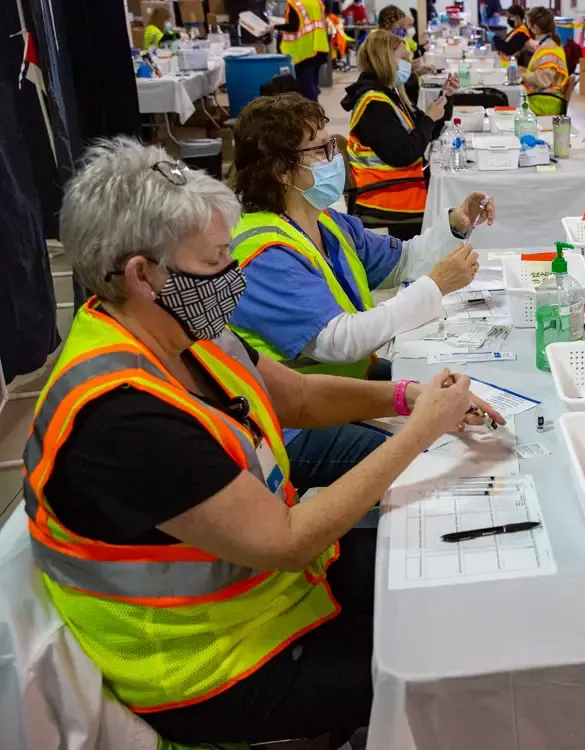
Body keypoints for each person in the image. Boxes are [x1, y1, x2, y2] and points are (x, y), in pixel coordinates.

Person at [35, 137, 504, 746]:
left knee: (451, 582)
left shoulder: (180, 329)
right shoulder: (120, 420)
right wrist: (420, 432)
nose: (234, 277)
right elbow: (287, 539)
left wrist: (404, 398)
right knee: (450, 659)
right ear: (142, 274)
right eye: (215, 262)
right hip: (221, 666)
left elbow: (298, 398)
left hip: (279, 594)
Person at [229, 94, 494, 491]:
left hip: (343, 386)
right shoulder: (263, 253)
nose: (337, 157)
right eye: (322, 148)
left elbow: (402, 262)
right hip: (289, 423)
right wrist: (435, 286)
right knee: (430, 458)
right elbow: (339, 342)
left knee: (454, 396)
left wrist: (455, 224)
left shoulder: (328, 224)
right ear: (283, 170)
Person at [341, 30, 457, 236]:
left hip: (399, 187)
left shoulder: (389, 93)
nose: (408, 64)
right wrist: (430, 118)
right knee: (455, 204)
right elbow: (405, 153)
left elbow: (427, 132)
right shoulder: (374, 104)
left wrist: (444, 99)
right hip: (387, 196)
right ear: (384, 58)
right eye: (403, 58)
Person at [520, 7, 570, 116]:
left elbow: (543, 80)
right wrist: (524, 71)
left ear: (535, 27)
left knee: (508, 99)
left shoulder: (548, 49)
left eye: (528, 23)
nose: (527, 27)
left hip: (544, 102)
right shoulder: (548, 44)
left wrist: (522, 75)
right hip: (544, 97)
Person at [277, 0, 330, 102]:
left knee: (306, 87)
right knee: (312, 84)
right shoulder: (316, 2)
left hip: (304, 50)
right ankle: (314, 111)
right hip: (319, 47)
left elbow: (294, 26)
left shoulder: (295, 3)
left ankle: (310, 113)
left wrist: (274, 27)